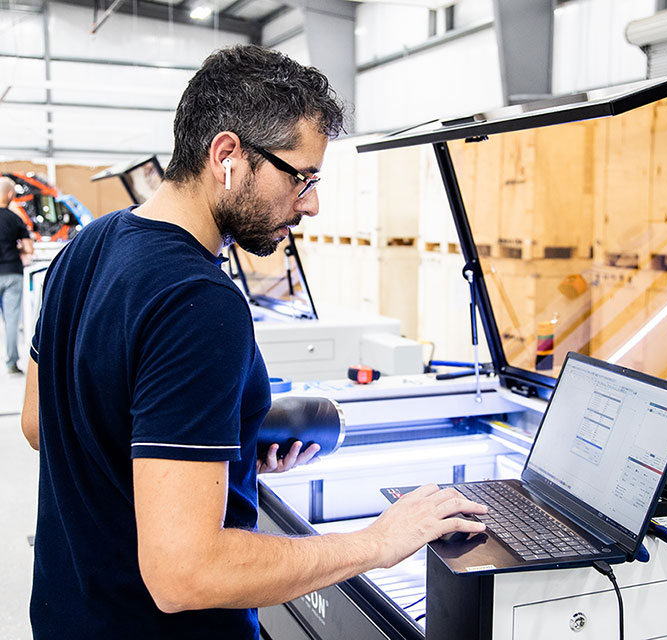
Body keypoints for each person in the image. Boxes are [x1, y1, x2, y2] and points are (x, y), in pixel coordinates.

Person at [21, 45, 486, 639]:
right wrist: (379, 540)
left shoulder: (86, 247)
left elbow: (42, 422)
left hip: (69, 617)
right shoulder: (199, 302)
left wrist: (222, 445)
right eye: (302, 177)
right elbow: (185, 574)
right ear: (228, 156)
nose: (312, 203)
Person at [0, 176, 33, 375]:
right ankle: (11, 363)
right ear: (11, 194)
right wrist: (19, 251)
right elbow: (28, 248)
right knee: (12, 319)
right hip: (12, 271)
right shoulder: (15, 219)